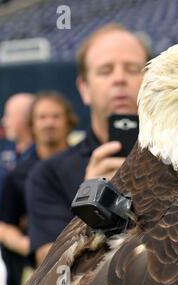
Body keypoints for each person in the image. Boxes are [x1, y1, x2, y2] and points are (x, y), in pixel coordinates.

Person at [26, 24, 150, 266]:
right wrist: (90, 209)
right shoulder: (47, 174)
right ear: (84, 88)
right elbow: (50, 267)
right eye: (105, 70)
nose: (119, 79)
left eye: (133, 69)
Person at [0, 91, 76, 285]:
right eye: (42, 117)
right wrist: (34, 248)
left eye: (56, 117)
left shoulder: (88, 163)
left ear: (68, 122)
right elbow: (3, 226)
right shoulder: (17, 175)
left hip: (89, 264)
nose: (49, 123)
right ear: (31, 125)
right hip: (37, 272)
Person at [0, 93, 34, 216]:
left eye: (8, 115)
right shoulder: (7, 152)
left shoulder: (41, 155)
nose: (3, 121)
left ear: (26, 119)